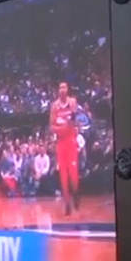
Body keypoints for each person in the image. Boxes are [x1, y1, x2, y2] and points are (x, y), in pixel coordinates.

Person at [50, 81, 80, 215]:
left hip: (71, 141)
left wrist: (68, 125)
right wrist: (61, 128)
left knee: (73, 172)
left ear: (67, 89)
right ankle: (67, 203)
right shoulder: (54, 106)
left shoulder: (72, 102)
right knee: (63, 174)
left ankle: (76, 193)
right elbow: (52, 126)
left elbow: (74, 121)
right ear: (58, 90)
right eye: (60, 87)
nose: (62, 89)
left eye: (64, 87)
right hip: (61, 143)